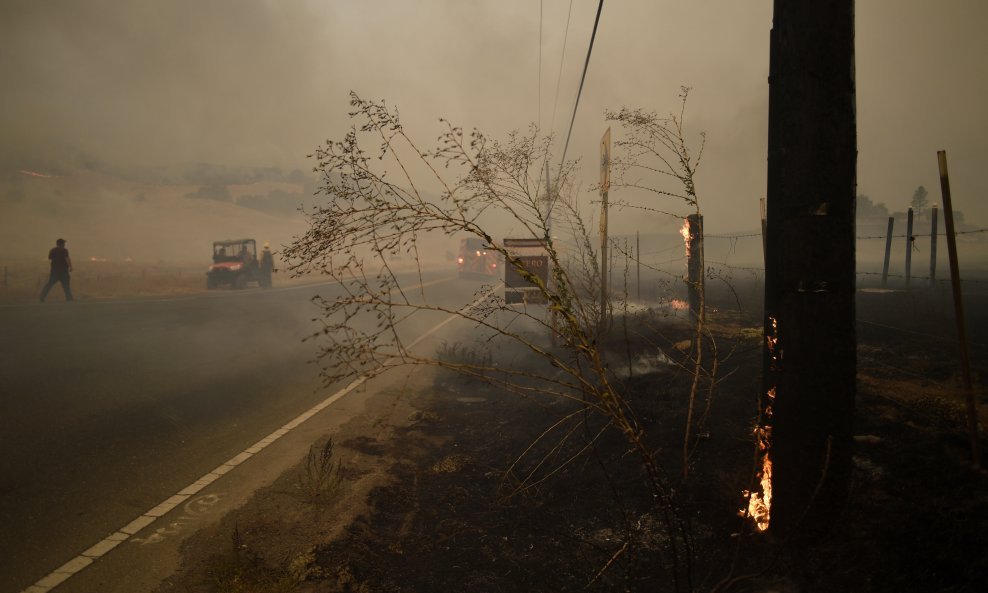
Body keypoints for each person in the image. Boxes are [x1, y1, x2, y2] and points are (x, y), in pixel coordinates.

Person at [40, 238, 73, 302]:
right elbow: (67, 258)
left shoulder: (52, 250)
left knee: (50, 284)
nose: (64, 245)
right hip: (63, 270)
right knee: (66, 285)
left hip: (54, 270)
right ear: (61, 244)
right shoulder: (64, 251)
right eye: (63, 243)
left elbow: (50, 258)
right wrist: (70, 266)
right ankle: (69, 298)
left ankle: (42, 297)